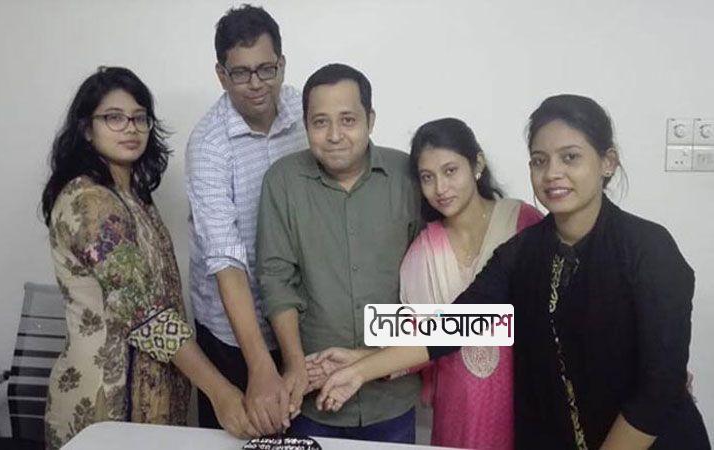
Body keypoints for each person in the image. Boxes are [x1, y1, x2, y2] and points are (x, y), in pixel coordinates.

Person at [317, 95, 710, 449]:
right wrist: (360, 369)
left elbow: (658, 388)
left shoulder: (648, 249)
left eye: (570, 157)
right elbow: (455, 324)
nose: (552, 173)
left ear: (607, 161)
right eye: (539, 160)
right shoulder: (523, 252)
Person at [40, 66, 259, 449]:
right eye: (114, 117)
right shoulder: (90, 202)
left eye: (139, 118)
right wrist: (220, 391)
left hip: (153, 400)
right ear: (86, 129)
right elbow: (147, 315)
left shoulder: (134, 196)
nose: (131, 128)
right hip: (105, 406)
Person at [306, 117, 542, 449]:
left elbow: (532, 320)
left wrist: (363, 368)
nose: (440, 188)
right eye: (427, 177)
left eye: (450, 171)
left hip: (523, 403)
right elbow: (424, 338)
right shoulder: (422, 252)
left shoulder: (523, 223)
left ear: (477, 164)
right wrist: (358, 358)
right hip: (458, 412)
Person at [256, 63, 421, 443]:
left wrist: (377, 360)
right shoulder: (282, 181)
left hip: (391, 396)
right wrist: (295, 365)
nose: (334, 136)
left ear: (370, 120)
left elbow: (427, 282)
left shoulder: (408, 175)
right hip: (312, 392)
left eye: (348, 120)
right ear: (305, 125)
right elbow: (276, 280)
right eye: (320, 122)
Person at [185, 4, 307, 435]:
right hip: (234, 333)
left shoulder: (304, 113)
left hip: (296, 317)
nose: (256, 84)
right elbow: (227, 262)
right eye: (241, 73)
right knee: (243, 434)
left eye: (266, 69)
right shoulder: (209, 146)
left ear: (282, 64)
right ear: (221, 75)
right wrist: (259, 365)